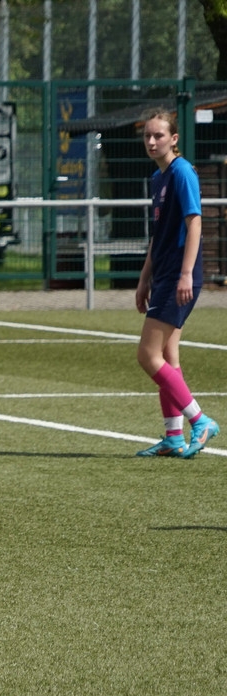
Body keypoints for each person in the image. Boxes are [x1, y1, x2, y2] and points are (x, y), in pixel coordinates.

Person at [134, 108, 219, 459]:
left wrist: (186, 274)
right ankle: (173, 436)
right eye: (147, 136)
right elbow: (159, 236)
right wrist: (144, 278)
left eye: (158, 135)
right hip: (165, 274)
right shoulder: (159, 178)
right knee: (168, 355)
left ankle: (199, 420)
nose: (152, 141)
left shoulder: (182, 172)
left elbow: (195, 223)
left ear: (174, 138)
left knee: (147, 355)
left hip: (178, 277)